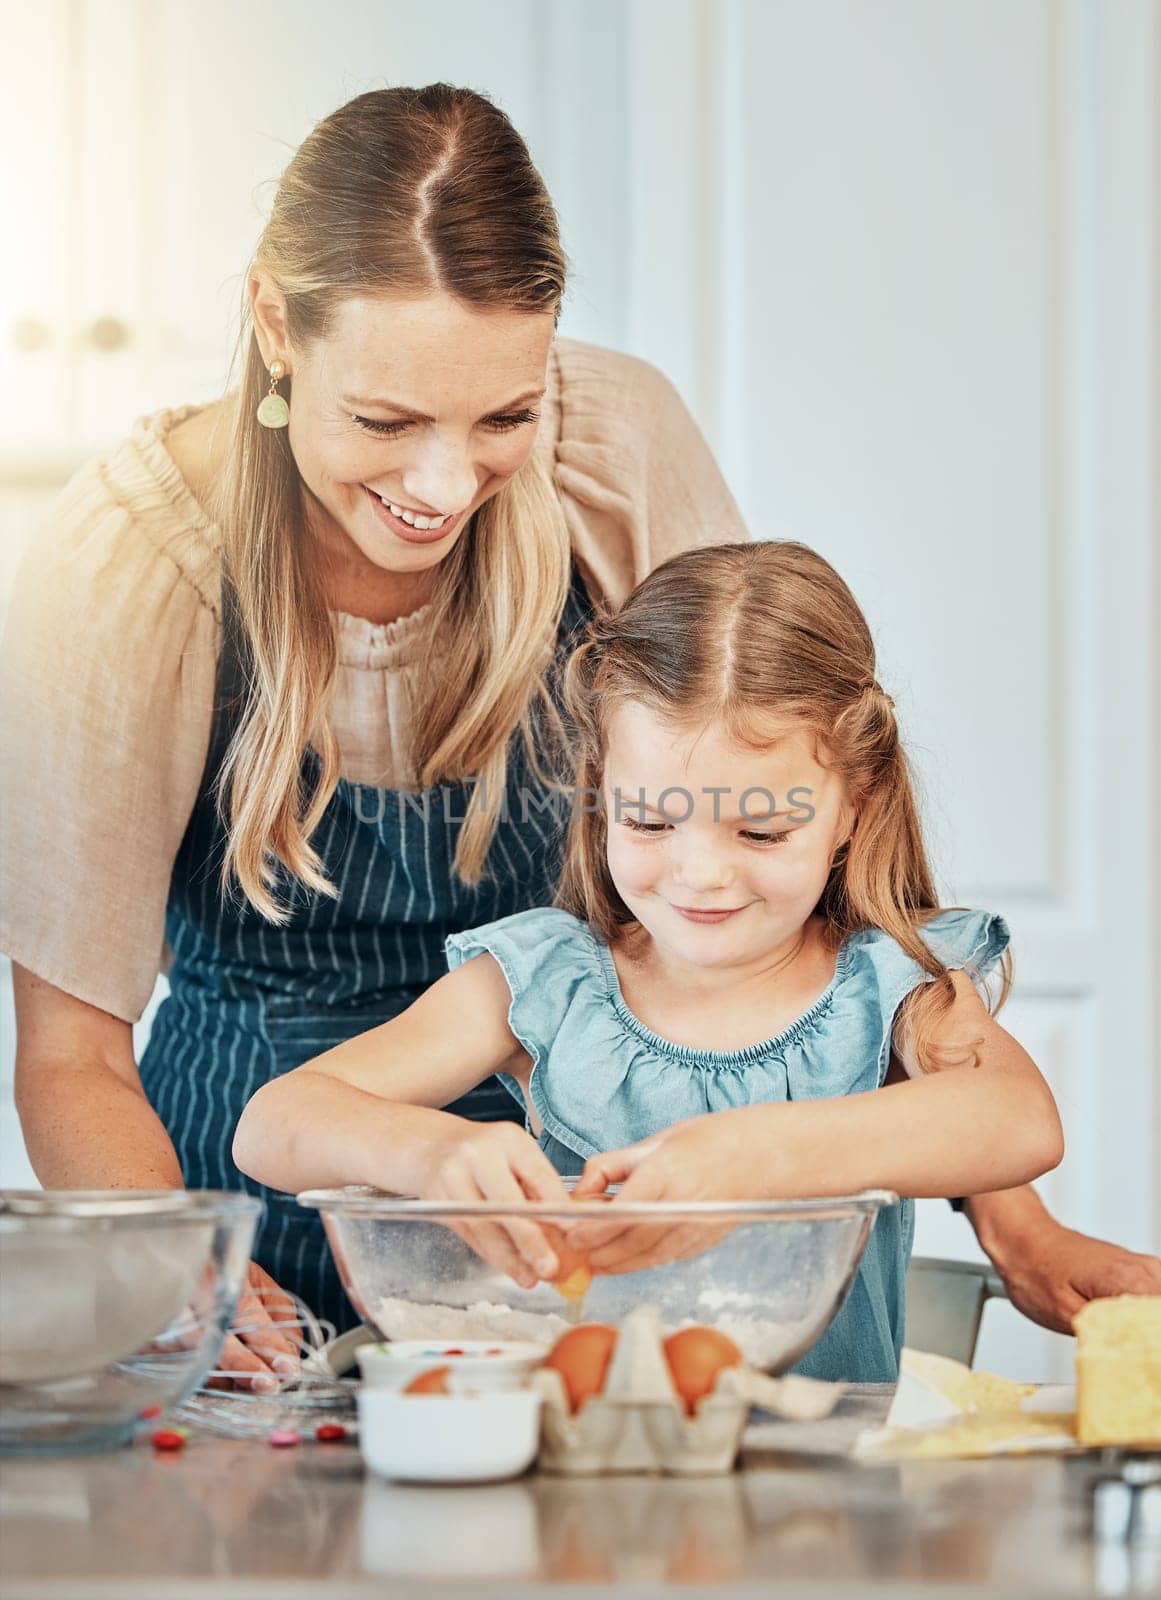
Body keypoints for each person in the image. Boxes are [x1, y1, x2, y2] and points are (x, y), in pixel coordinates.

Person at [3, 84, 1156, 1382]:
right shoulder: (124, 570)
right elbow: (72, 1052)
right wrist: (182, 1280)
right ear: (273, 322)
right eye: (385, 422)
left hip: (565, 1247)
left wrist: (1015, 1220)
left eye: (504, 417)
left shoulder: (613, 444)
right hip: (250, 1199)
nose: (443, 486)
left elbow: (789, 771)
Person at [232, 541, 1065, 1382]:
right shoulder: (547, 980)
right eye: (650, 824)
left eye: (762, 831)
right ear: (602, 796)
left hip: (823, 1495)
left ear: (856, 806)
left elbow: (1018, 1121)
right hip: (574, 1488)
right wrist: (428, 1155)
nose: (699, 874)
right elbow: (271, 1124)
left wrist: (747, 1157)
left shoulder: (888, 985)